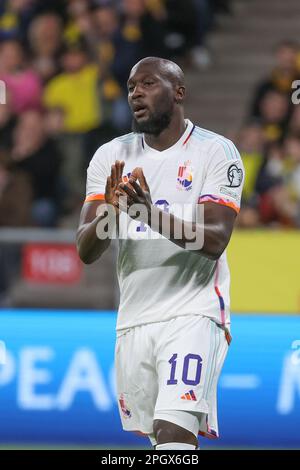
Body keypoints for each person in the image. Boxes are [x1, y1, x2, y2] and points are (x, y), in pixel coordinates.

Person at [77, 57, 244, 450]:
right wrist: (113, 216)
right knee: (161, 443)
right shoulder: (110, 157)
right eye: (131, 86)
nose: (135, 92)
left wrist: (148, 214)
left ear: (179, 92)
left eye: (148, 83)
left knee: (175, 436)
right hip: (134, 319)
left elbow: (216, 239)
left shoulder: (216, 152)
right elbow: (86, 250)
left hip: (194, 313)